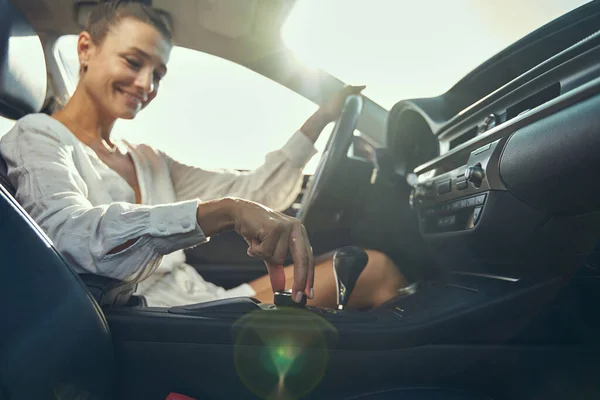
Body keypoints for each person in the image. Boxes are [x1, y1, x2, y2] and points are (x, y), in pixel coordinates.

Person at [0, 1, 407, 309]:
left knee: (344, 262)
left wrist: (321, 119)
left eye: (157, 74)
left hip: (204, 301)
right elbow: (71, 237)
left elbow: (254, 191)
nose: (146, 84)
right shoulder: (38, 136)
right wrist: (223, 211)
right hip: (154, 324)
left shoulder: (146, 158)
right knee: (373, 271)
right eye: (133, 61)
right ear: (85, 49)